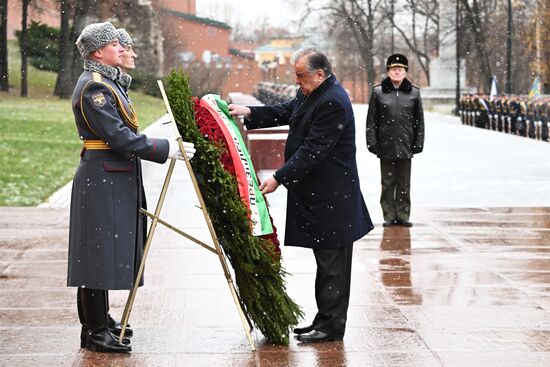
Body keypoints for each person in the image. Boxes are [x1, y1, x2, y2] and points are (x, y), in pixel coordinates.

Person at [228, 48, 373, 343]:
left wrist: (279, 178)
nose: (296, 81)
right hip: (323, 196)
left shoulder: (333, 101)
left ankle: (332, 327)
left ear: (319, 74)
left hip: (333, 198)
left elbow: (313, 151)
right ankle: (325, 319)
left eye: (300, 76)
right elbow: (286, 111)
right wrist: (250, 113)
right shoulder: (315, 92)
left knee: (333, 265)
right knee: (326, 263)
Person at [67, 22, 195, 353]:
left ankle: (98, 323)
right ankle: (95, 331)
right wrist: (166, 149)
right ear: (98, 52)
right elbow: (118, 137)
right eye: (115, 45)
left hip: (112, 175)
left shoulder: (108, 84)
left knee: (101, 253)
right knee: (96, 256)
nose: (123, 50)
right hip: (102, 177)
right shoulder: (95, 88)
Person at [366, 54, 424, 227]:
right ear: (388, 71)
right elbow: (371, 121)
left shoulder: (414, 93)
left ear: (405, 71)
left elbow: (419, 121)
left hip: (406, 144)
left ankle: (403, 215)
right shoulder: (378, 92)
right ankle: (389, 215)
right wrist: (372, 141)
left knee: (404, 183)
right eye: (394, 69)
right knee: (387, 183)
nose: (397, 72)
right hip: (386, 144)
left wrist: (418, 142)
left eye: (400, 69)